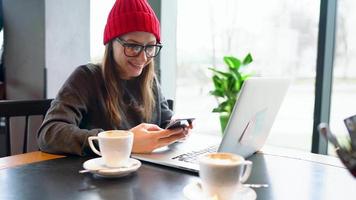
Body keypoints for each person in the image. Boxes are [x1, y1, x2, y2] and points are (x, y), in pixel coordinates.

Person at [37, 0, 191, 156]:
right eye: (132, 45)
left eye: (150, 46)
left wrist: (176, 127)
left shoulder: (149, 81)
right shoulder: (87, 77)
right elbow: (49, 133)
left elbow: (165, 121)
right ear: (111, 43)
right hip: (94, 176)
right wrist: (122, 141)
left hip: (143, 174)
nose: (143, 57)